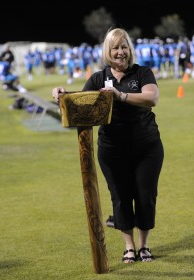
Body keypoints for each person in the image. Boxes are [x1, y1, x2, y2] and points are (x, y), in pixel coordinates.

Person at [52, 28, 164, 264]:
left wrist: (119, 95)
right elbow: (80, 107)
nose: (120, 52)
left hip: (147, 147)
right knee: (121, 197)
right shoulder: (97, 78)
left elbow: (151, 98)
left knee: (145, 196)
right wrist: (61, 95)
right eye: (115, 47)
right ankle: (129, 247)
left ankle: (144, 246)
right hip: (112, 150)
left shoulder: (142, 73)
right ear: (108, 51)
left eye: (124, 47)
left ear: (129, 50)